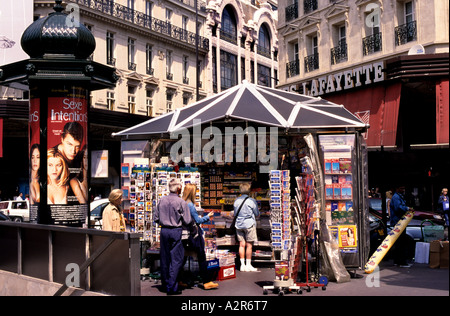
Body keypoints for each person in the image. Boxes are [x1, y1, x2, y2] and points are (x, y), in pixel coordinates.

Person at [154, 178, 193, 295]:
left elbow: (156, 218)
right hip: (176, 231)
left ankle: (166, 284)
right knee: (176, 259)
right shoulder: (181, 202)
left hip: (164, 231)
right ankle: (172, 287)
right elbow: (187, 220)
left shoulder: (162, 200)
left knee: (165, 258)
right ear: (179, 188)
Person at [181, 183, 218, 290]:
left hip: (184, 234)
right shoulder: (190, 205)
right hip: (194, 235)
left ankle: (178, 280)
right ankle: (206, 281)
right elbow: (197, 220)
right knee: (201, 257)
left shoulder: (182, 203)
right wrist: (208, 216)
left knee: (182, 258)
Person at [233, 183, 259, 272]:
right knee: (249, 245)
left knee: (241, 245)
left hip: (239, 224)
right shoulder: (251, 201)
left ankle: (242, 265)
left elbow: (235, 213)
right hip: (249, 224)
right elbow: (257, 213)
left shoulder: (236, 201)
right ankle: (248, 264)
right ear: (249, 190)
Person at [390, 185, 413, 268]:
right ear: (397, 188)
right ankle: (401, 262)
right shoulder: (396, 197)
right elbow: (398, 208)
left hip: (399, 222)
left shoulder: (398, 196)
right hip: (398, 222)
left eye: (404, 188)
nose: (403, 190)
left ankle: (397, 261)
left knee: (399, 243)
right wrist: (407, 208)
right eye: (401, 188)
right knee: (401, 242)